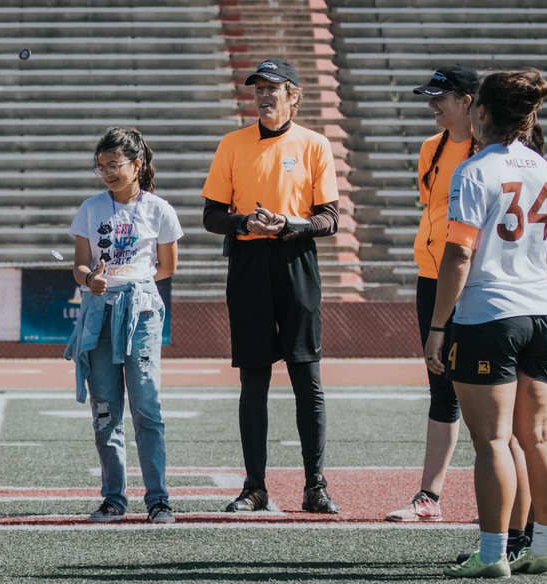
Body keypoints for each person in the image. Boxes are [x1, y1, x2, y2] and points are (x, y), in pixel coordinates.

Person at [427, 68, 547, 578]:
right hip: (544, 312)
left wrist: (438, 326)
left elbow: (459, 256)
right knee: (541, 437)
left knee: (492, 441)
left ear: (481, 112)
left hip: (492, 313)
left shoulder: (474, 170)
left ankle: (492, 556)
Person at [200, 58, 340, 514]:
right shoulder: (232, 144)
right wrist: (245, 222)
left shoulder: (315, 145)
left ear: (293, 97)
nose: (263, 96)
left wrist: (288, 226)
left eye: (273, 89)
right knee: (253, 380)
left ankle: (315, 485)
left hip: (296, 259)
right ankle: (255, 486)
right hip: (248, 264)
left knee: (307, 378)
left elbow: (330, 219)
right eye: (257, 89)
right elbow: (211, 216)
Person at [64, 127, 182, 524]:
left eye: (115, 165)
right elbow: (80, 264)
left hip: (141, 313)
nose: (108, 173)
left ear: (137, 164)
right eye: (102, 167)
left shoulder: (160, 210)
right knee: (105, 410)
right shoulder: (90, 208)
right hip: (99, 311)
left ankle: (159, 500)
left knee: (147, 407)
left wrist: (133, 282)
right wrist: (89, 279)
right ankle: (113, 498)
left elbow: (166, 267)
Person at [386, 66, 481, 523]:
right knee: (440, 385)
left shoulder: (491, 150)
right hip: (431, 276)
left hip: (475, 281)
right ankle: (429, 496)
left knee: (488, 392)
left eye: (439, 97)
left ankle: (510, 502)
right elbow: (433, 208)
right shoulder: (431, 148)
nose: (431, 105)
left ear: (466, 101)